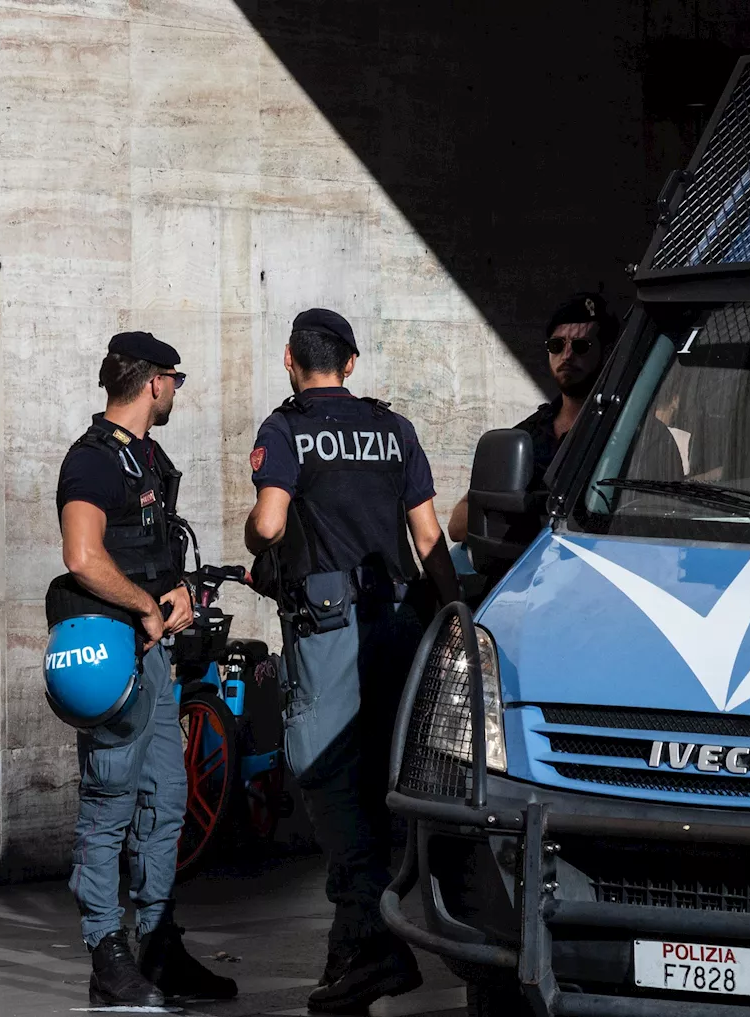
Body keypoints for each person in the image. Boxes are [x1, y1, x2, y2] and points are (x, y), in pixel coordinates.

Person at [244, 308, 459, 1014]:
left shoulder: (287, 427)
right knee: (380, 781)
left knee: (325, 773)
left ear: (289, 359)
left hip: (331, 629)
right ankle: (349, 960)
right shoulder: (393, 429)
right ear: (352, 363)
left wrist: (257, 543)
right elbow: (429, 538)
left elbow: (271, 523)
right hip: (399, 620)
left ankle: (373, 945)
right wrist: (454, 617)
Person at [51, 332, 237, 1007]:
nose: (176, 392)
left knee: (167, 799)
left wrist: (178, 594)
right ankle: (108, 955)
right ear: (154, 381)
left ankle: (157, 943)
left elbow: (152, 553)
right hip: (112, 658)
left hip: (154, 656)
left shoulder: (147, 458)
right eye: (176, 381)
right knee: (108, 806)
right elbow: (82, 555)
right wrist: (144, 609)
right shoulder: (93, 460)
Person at [447, 292, 618, 543]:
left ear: (607, 352)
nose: (567, 356)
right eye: (557, 345)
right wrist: (523, 508)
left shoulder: (629, 434)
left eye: (581, 346)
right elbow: (458, 525)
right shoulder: (526, 436)